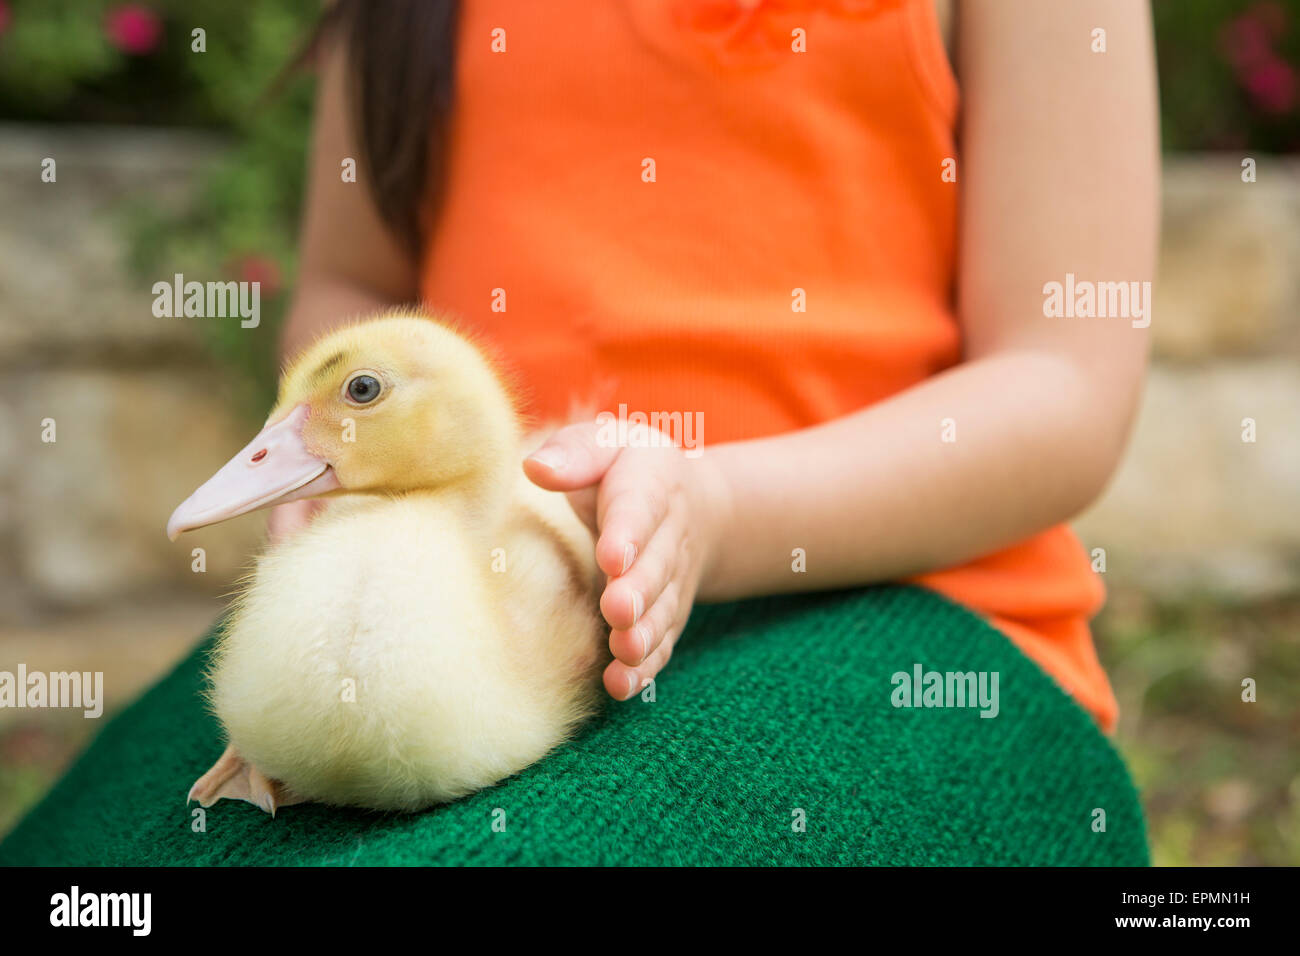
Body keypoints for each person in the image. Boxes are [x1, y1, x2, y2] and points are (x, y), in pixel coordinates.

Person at [271, 0, 1158, 731]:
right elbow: (352, 281)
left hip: (923, 609)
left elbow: (1064, 380)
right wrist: (337, 452)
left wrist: (714, 513)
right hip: (482, 601)